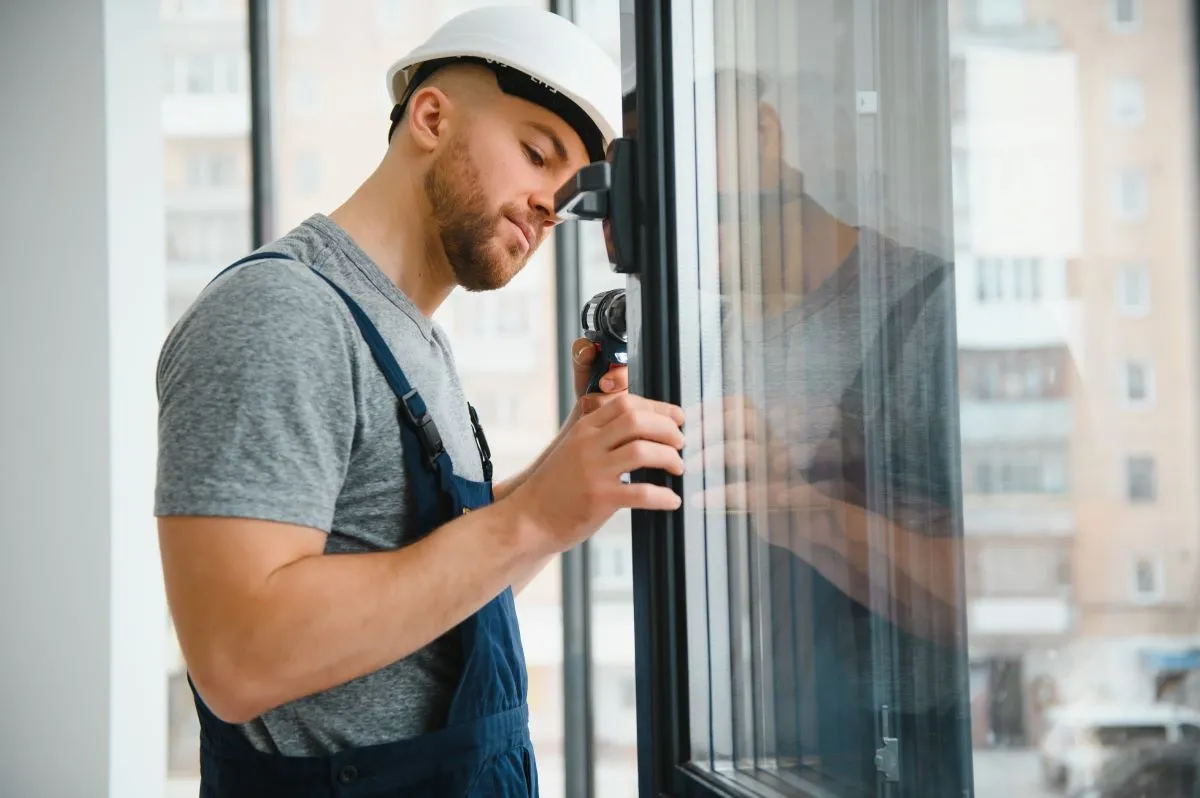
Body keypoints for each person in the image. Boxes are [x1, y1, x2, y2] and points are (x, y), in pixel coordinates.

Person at [154, 7, 684, 797]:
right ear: (431, 117)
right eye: (537, 154)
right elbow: (237, 656)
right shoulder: (282, 313)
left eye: (566, 185)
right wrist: (531, 516)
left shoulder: (413, 338)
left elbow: (441, 590)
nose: (549, 204)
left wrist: (572, 471)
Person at [686, 72, 974, 795]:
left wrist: (805, 511)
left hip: (901, 766)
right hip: (743, 761)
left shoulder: (930, 314)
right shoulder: (710, 337)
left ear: (758, 136)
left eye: (687, 183)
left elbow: (986, 603)